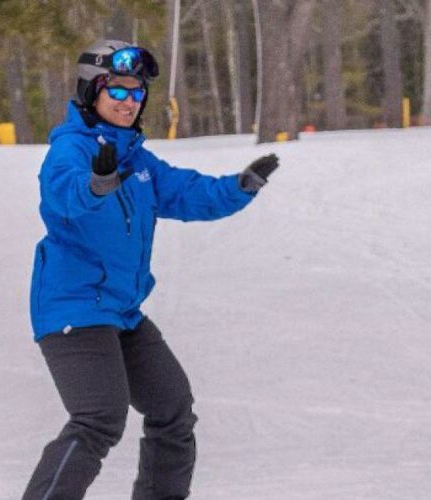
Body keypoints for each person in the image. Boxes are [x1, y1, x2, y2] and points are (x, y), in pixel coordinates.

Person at [23, 39, 280, 500]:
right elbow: (61, 195)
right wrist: (94, 187)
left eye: (137, 92)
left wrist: (240, 187)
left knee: (172, 408)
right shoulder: (70, 151)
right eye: (117, 90)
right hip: (74, 310)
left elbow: (185, 192)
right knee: (98, 419)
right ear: (91, 92)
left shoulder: (136, 161)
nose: (129, 101)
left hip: (122, 312)